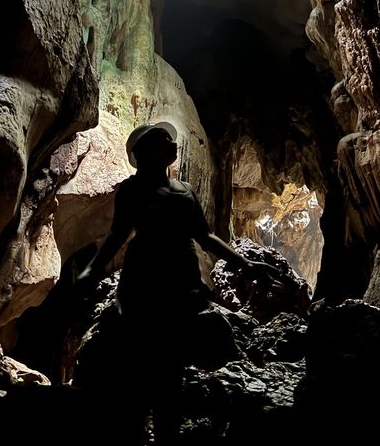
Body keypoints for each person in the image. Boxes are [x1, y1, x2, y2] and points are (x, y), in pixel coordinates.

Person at [75, 121, 274, 445]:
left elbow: (205, 237)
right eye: (165, 140)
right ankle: (134, 432)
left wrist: (244, 263)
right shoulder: (132, 190)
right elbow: (117, 236)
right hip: (143, 288)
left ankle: (165, 435)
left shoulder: (184, 192)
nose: (173, 144)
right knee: (139, 370)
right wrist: (92, 271)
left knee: (171, 373)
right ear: (145, 151)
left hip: (181, 287)